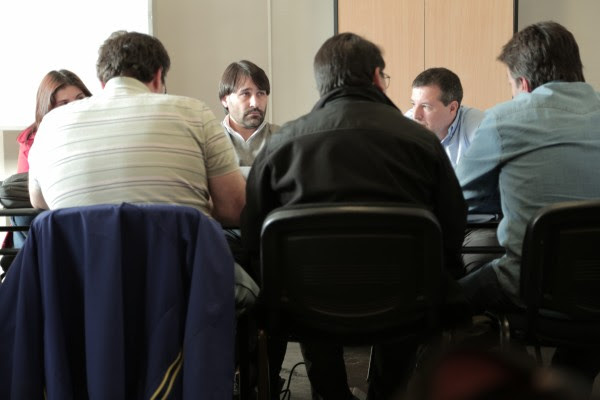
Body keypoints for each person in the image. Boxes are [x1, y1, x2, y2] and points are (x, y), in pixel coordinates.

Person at [242, 32, 468, 400]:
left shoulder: (282, 145)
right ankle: (387, 393)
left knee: (304, 282)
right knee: (416, 285)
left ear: (321, 83)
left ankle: (329, 393)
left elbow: (254, 237)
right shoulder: (422, 143)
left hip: (307, 306)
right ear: (377, 77)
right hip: (405, 303)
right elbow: (453, 226)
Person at [27, 31, 257, 313]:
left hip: (81, 292)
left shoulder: (51, 124)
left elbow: (39, 201)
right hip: (180, 290)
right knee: (254, 294)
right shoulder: (194, 113)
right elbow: (235, 209)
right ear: (158, 77)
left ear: (102, 82)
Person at [455, 21, 600, 388]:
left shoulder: (505, 118)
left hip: (529, 287)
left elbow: (458, 199)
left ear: (523, 83)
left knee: (441, 305)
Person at [405, 67, 484, 168]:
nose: (415, 115)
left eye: (425, 106)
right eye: (413, 104)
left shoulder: (480, 128)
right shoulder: (407, 124)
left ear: (452, 108)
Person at [17, 69, 92, 173]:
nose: (75, 107)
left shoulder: (98, 127)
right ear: (48, 109)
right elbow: (25, 182)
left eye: (80, 99)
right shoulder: (31, 143)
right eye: (64, 104)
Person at [219, 60, 280, 178]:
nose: (255, 103)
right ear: (225, 100)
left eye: (260, 93)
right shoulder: (210, 140)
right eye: (245, 94)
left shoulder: (282, 137)